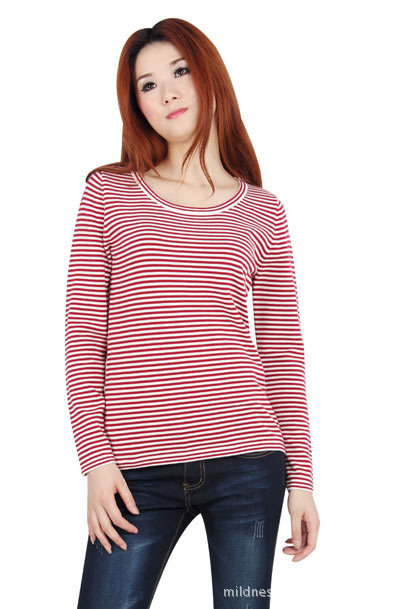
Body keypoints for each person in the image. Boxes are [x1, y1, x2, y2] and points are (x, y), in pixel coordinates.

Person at [65, 17, 320, 609]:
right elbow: (83, 336)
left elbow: (282, 351)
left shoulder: (263, 211)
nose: (168, 93)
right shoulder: (108, 193)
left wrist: (302, 481)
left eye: (180, 71)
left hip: (249, 464)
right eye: (148, 85)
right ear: (136, 104)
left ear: (208, 77)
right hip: (133, 472)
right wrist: (95, 461)